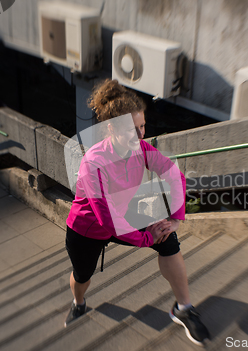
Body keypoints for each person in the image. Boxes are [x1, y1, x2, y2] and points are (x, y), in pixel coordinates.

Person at [64, 79, 210, 346]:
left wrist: (175, 219)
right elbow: (106, 218)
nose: (141, 135)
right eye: (132, 130)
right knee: (83, 275)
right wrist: (145, 238)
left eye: (142, 126)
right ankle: (78, 302)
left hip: (124, 212)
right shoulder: (93, 162)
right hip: (88, 226)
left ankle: (184, 309)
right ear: (111, 129)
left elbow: (174, 174)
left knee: (167, 237)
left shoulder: (142, 149)